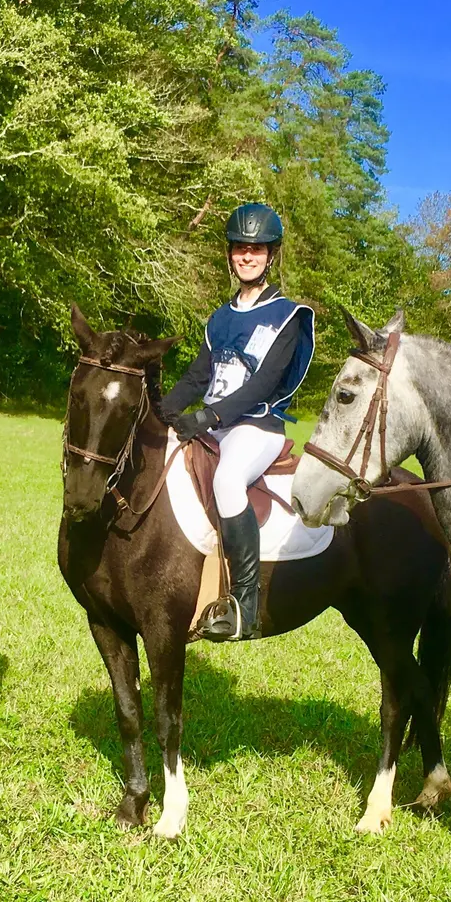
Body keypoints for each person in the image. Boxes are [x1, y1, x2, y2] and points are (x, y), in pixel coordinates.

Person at [159, 203, 315, 642]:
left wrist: (209, 415)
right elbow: (198, 376)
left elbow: (264, 384)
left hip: (258, 427)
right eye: (240, 249)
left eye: (257, 249)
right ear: (230, 254)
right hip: (217, 424)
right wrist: (161, 411)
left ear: (271, 255)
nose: (247, 257)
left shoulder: (287, 314)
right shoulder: (221, 317)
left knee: (228, 480)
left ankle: (244, 604)